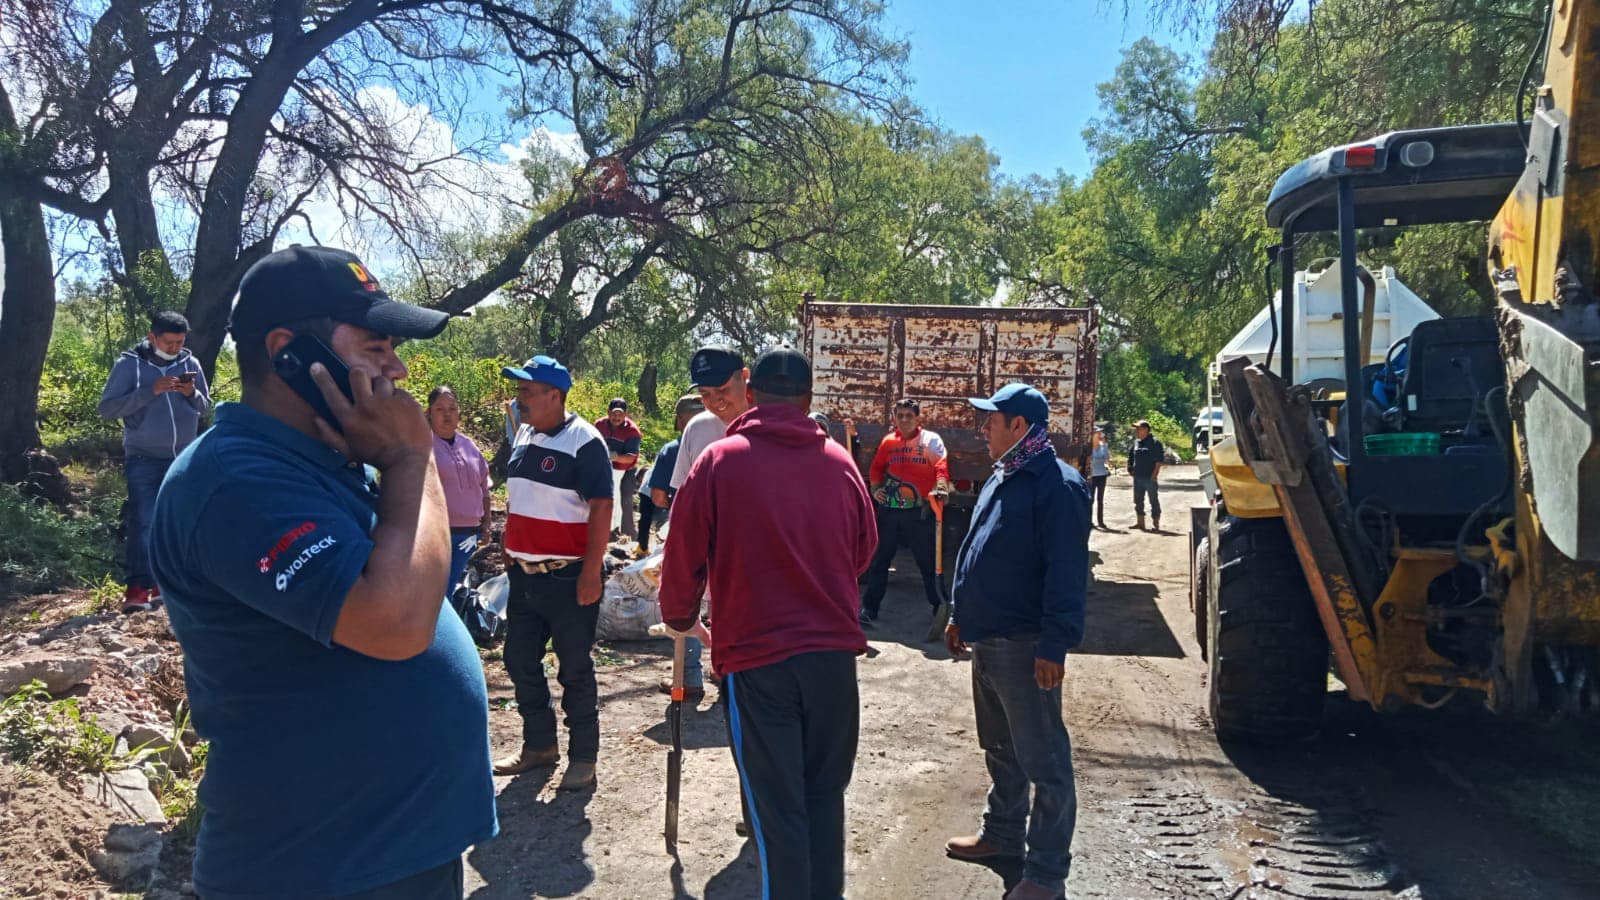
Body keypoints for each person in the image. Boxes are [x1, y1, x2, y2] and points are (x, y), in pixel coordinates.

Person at [148, 245, 495, 899]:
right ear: (290, 353)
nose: (398, 368)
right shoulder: (232, 480)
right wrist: (411, 457)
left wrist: (395, 461)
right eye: (377, 346)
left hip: (392, 854)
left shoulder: (335, 458)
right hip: (315, 867)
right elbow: (392, 621)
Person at [658, 347, 877, 900]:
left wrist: (681, 615)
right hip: (831, 662)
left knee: (778, 812)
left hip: (758, 664)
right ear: (807, 400)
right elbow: (865, 549)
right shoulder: (840, 463)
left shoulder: (720, 461)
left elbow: (682, 557)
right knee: (825, 797)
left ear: (751, 393)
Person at [942, 382, 1090, 900]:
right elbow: (975, 550)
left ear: (1019, 426)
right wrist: (961, 613)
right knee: (1000, 748)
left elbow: (1067, 575)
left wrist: (1054, 645)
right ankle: (1003, 835)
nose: (983, 429)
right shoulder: (1003, 475)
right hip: (988, 641)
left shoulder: (1058, 485)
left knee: (1045, 763)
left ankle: (1047, 874)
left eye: (992, 420)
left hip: (1027, 645)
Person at [493, 355, 613, 791]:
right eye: (519, 390)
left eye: (527, 391)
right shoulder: (524, 434)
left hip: (568, 576)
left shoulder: (585, 441)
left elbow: (601, 506)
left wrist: (592, 572)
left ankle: (584, 757)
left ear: (554, 395)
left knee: (574, 668)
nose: (519, 399)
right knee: (520, 659)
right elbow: (519, 496)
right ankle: (539, 746)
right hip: (524, 576)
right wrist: (509, 541)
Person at [98, 310, 211, 613]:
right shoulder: (128, 366)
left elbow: (203, 408)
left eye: (180, 342)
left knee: (176, 522)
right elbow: (107, 409)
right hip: (143, 458)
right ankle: (137, 589)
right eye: (169, 342)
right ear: (152, 338)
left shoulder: (192, 364)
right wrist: (151, 391)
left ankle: (167, 585)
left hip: (183, 458)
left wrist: (191, 393)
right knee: (144, 521)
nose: (175, 347)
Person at [660, 346, 753, 699]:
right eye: (705, 395)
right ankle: (690, 677)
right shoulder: (698, 429)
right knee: (689, 611)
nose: (716, 402)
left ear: (744, 379)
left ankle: (732, 676)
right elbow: (682, 494)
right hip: (705, 544)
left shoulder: (765, 425)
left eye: (722, 392)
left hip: (745, 550)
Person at [859, 398, 950, 628]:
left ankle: (941, 607)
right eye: (900, 416)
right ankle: (869, 608)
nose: (905, 420)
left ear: (918, 418)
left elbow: (941, 466)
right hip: (889, 511)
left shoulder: (931, 441)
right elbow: (877, 468)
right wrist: (876, 489)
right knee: (879, 561)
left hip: (918, 513)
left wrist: (940, 486)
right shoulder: (888, 442)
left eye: (909, 415)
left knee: (928, 562)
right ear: (894, 418)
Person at [428, 386, 493, 599]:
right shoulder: (423, 445)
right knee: (439, 589)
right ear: (429, 412)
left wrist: (486, 525)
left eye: (452, 409)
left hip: (468, 534)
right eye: (440, 409)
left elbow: (484, 487)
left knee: (451, 585)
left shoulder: (469, 445)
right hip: (439, 533)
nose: (447, 414)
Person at [639, 394, 703, 555]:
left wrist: (677, 504)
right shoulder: (728, 442)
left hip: (683, 527)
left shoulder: (671, 450)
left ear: (680, 419)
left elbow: (658, 496)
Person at [596, 398, 643, 540]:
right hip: (603, 465)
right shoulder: (599, 424)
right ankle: (601, 527)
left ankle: (626, 535)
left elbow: (630, 458)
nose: (616, 417)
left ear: (625, 414)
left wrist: (612, 456)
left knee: (625, 500)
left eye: (620, 414)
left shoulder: (633, 431)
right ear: (608, 412)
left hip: (626, 468)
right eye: (614, 414)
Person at [1128, 419, 1164, 531]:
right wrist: (1130, 468)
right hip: (1137, 477)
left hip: (1149, 477)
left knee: (1153, 500)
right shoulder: (1136, 442)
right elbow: (1131, 457)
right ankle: (1140, 523)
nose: (1137, 431)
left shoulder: (1155, 443)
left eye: (1139, 429)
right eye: (1137, 429)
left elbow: (1158, 461)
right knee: (1138, 500)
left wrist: (1155, 474)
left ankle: (1155, 523)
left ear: (1146, 430)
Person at [1089, 428, 1111, 530]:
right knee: (1091, 499)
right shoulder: (1088, 448)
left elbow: (1107, 459)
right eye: (1096, 434)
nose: (1099, 435)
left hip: (1102, 475)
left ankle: (1100, 521)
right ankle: (1089, 521)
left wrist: (1105, 445)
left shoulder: (1103, 447)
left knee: (1100, 499)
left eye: (1099, 434)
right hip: (1092, 476)